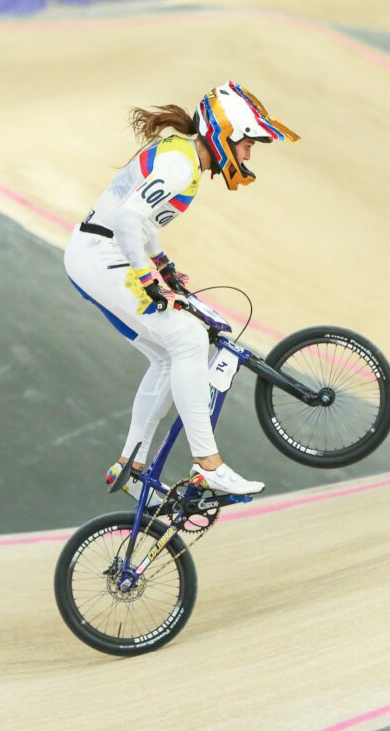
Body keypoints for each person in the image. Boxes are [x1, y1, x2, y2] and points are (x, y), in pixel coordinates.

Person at [64, 81, 298, 501]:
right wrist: (150, 280)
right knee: (188, 339)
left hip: (102, 251)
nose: (247, 154)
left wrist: (163, 267)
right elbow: (127, 222)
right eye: (247, 143)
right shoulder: (180, 166)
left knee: (182, 344)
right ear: (224, 136)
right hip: (99, 253)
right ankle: (208, 464)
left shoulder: (184, 159)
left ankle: (131, 467)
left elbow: (142, 224)